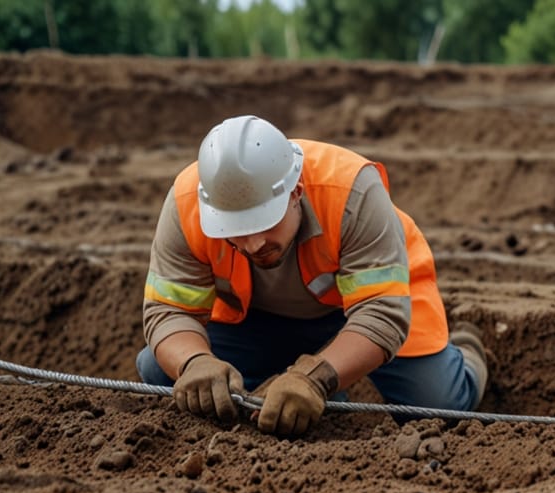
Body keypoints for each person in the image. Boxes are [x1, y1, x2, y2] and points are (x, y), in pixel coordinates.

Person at [136, 115, 488, 436]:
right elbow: (168, 311)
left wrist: (317, 378)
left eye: (264, 222)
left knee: (438, 406)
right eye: (235, 229)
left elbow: (382, 313)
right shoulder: (188, 204)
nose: (253, 244)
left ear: (296, 193)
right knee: (161, 370)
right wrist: (195, 362)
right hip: (255, 321)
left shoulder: (351, 192)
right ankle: (306, 391)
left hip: (357, 312)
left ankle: (468, 349)